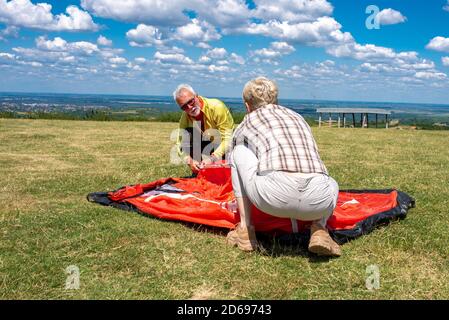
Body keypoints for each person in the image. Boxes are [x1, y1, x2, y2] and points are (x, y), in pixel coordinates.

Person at [227, 77, 341, 257]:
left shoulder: (247, 122)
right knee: (332, 182)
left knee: (238, 151)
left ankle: (245, 230)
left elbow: (231, 155)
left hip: (273, 198)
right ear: (276, 99)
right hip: (319, 201)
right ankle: (319, 228)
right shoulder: (297, 117)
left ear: (247, 105)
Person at [173, 84, 234, 173]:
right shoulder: (185, 117)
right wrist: (189, 160)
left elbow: (228, 138)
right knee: (189, 133)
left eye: (191, 101)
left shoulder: (217, 107)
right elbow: (179, 144)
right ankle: (199, 169)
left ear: (197, 96)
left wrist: (213, 158)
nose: (189, 107)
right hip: (207, 146)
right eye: (184, 107)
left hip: (226, 147)